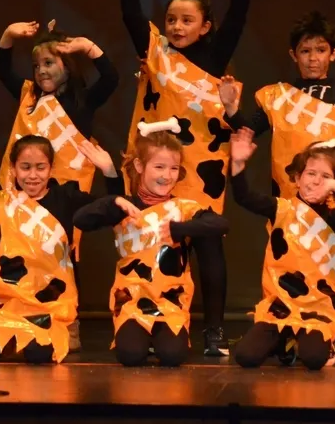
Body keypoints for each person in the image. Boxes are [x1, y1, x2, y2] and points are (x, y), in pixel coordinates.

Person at [221, 11, 335, 360]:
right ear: (293, 55)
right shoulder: (277, 96)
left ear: (333, 54)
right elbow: (248, 131)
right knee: (287, 258)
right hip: (292, 198)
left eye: (320, 50)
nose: (313, 58)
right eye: (305, 51)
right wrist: (231, 110)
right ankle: (284, 327)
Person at [116, 0, 254, 355]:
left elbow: (238, 16)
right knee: (155, 241)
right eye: (172, 19)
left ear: (205, 27)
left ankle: (213, 331)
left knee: (207, 243)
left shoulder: (215, 57)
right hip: (159, 165)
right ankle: (151, 320)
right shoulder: (156, 53)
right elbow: (131, 16)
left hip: (203, 167)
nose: (177, 27)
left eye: (187, 20)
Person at [0, 135, 122, 363]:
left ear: (51, 169)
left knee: (38, 353)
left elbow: (113, 208)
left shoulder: (66, 197)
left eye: (40, 168)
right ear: (13, 168)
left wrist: (109, 171)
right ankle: (15, 335)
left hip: (51, 304)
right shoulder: (0, 203)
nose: (33, 175)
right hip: (8, 303)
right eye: (25, 167)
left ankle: (63, 329)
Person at [74, 123, 228, 367]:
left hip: (170, 301)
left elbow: (221, 224)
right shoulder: (125, 206)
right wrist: (112, 201)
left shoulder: (183, 208)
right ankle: (142, 335)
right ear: (139, 166)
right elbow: (80, 219)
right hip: (132, 300)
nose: (167, 175)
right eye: (159, 167)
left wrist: (179, 229)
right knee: (130, 355)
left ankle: (209, 331)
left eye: (173, 168)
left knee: (173, 355)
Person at [229, 129, 335, 370]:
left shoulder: (334, 219)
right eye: (311, 173)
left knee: (314, 359)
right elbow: (244, 197)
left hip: (317, 308)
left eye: (325, 176)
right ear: (297, 178)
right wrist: (238, 164)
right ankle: (284, 340)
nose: (316, 181)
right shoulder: (281, 209)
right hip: (281, 304)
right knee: (246, 356)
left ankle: (318, 341)